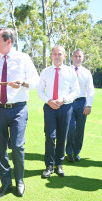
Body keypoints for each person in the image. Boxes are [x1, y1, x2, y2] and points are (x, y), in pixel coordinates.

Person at [0, 27, 39, 198]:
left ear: (9, 42)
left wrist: (23, 82)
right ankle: (5, 183)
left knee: (17, 147)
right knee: (0, 149)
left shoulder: (23, 59)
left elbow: (35, 80)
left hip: (19, 109)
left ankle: (19, 181)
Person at [37, 46, 80, 178]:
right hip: (49, 108)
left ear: (64, 56)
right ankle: (49, 165)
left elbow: (76, 91)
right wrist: (48, 100)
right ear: (51, 56)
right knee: (50, 136)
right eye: (54, 54)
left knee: (62, 136)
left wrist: (64, 99)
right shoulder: (45, 71)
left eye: (59, 54)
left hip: (66, 107)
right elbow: (40, 91)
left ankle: (59, 164)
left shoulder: (70, 72)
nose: (57, 56)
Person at [65, 49, 95, 162]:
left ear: (83, 58)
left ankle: (76, 152)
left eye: (80, 56)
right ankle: (69, 153)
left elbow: (90, 90)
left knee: (80, 129)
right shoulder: (67, 70)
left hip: (82, 102)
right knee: (71, 128)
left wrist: (89, 105)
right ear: (72, 57)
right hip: (69, 102)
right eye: (76, 56)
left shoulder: (86, 72)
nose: (78, 58)